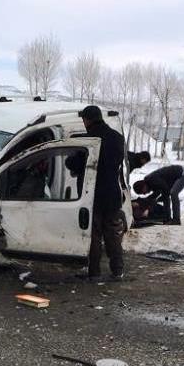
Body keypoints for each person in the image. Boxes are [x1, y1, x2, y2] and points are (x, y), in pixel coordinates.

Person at [80, 105, 125, 279]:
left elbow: (76, 163)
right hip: (112, 192)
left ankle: (94, 272)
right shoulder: (117, 137)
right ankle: (118, 270)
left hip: (93, 194)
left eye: (84, 120)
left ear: (88, 119)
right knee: (113, 234)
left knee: (95, 235)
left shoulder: (88, 139)